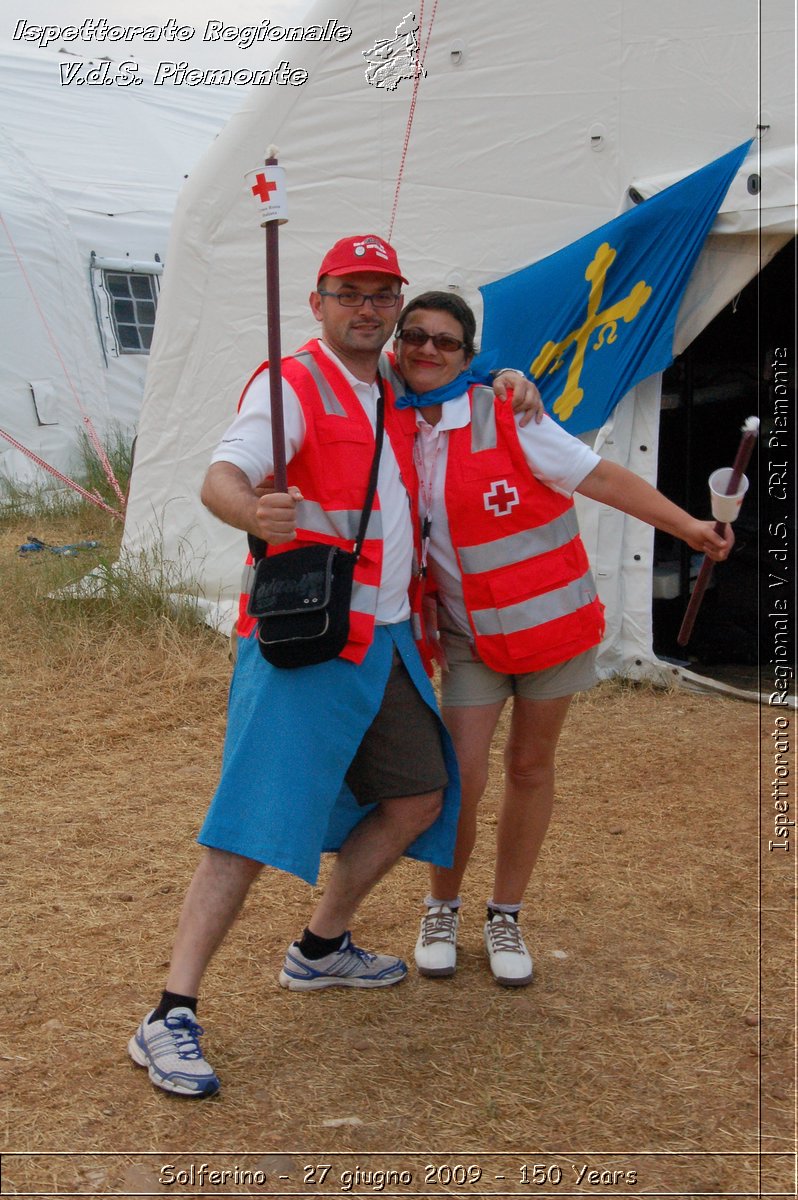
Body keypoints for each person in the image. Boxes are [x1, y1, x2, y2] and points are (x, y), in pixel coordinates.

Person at [127, 238, 537, 1098]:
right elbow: (222, 476)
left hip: (386, 638)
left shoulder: (394, 384)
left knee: (421, 791)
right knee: (246, 826)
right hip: (307, 637)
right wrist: (254, 511)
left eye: (381, 295)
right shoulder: (290, 385)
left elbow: (458, 370)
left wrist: (507, 376)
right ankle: (169, 1011)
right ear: (317, 302)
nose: (369, 309)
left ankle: (318, 948)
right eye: (350, 293)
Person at [386, 291, 734, 988]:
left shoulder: (509, 411)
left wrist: (688, 527)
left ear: (469, 355)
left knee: (530, 767)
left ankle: (505, 913)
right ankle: (441, 906)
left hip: (553, 627)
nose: (428, 350)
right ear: (398, 343)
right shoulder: (384, 416)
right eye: (415, 336)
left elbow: (597, 474)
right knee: (462, 774)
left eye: (446, 342)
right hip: (469, 635)